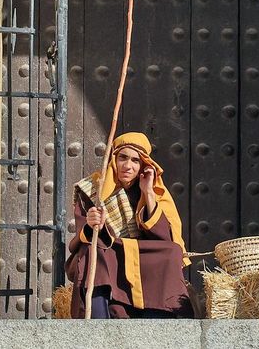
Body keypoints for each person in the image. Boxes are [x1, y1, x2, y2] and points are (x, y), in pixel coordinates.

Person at [65, 132, 191, 318]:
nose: (128, 166)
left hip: (141, 255)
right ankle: (98, 319)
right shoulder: (91, 189)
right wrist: (92, 224)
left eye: (135, 161)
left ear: (143, 166)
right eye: (123, 158)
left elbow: (165, 238)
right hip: (110, 251)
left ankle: (161, 316)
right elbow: (79, 239)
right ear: (113, 159)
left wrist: (148, 193)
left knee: (171, 251)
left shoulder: (154, 191)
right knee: (93, 251)